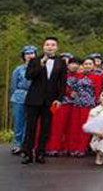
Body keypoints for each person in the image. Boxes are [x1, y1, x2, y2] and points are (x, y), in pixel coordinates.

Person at [22, 36, 66, 165]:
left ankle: (41, 153)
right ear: (43, 46)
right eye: (47, 44)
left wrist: (60, 99)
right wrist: (41, 64)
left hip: (51, 101)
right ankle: (27, 154)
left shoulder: (61, 62)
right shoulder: (34, 60)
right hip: (33, 99)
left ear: (57, 47)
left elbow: (63, 82)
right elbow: (28, 76)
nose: (50, 47)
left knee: (46, 128)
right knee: (30, 128)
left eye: (53, 45)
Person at [64, 57, 102, 156]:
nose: (88, 66)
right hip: (77, 103)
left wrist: (97, 103)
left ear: (93, 65)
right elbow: (70, 87)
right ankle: (72, 148)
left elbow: (98, 91)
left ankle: (81, 149)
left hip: (88, 104)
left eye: (90, 64)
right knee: (74, 127)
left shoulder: (97, 76)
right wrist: (70, 92)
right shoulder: (78, 76)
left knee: (85, 127)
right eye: (86, 64)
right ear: (83, 65)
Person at [44, 56, 79, 156]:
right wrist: (69, 92)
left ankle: (66, 148)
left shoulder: (79, 76)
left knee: (70, 127)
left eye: (76, 64)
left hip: (72, 104)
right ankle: (52, 147)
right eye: (72, 63)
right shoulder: (59, 74)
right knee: (55, 126)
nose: (74, 66)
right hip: (57, 103)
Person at [10, 45, 37, 155]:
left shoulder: (38, 68)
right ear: (23, 56)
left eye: (32, 53)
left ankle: (26, 145)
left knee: (29, 122)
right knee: (18, 121)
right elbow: (13, 85)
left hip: (33, 96)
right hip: (20, 96)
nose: (30, 55)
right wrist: (16, 95)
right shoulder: (18, 69)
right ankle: (17, 144)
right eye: (27, 53)